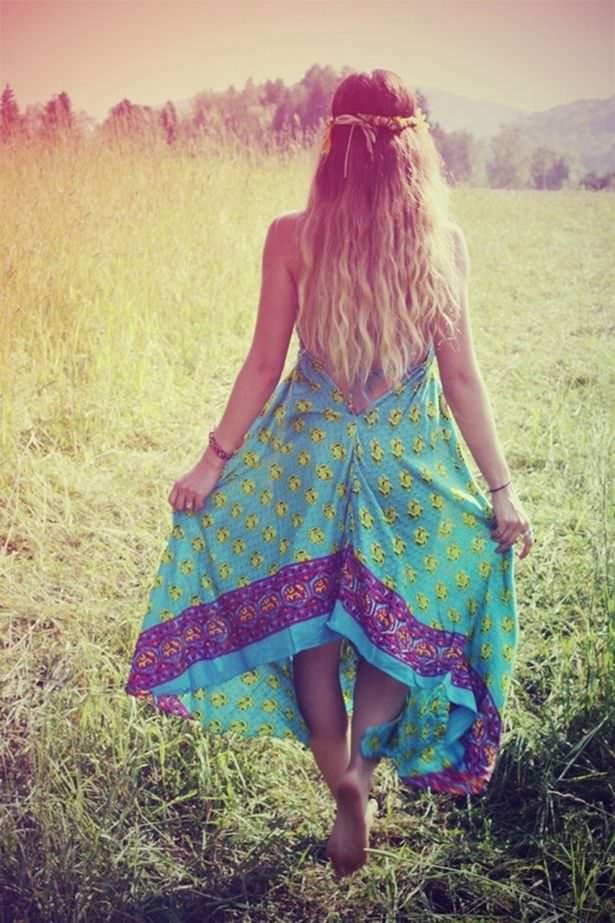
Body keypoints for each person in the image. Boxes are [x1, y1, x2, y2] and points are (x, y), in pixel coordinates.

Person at [125, 69, 533, 879]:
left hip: (306, 460)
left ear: (332, 144)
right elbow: (460, 379)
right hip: (406, 464)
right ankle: (363, 773)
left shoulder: (292, 236)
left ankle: (336, 777)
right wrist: (499, 488)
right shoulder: (441, 245)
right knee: (395, 622)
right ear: (414, 149)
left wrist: (211, 461)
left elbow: (262, 363)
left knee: (307, 630)